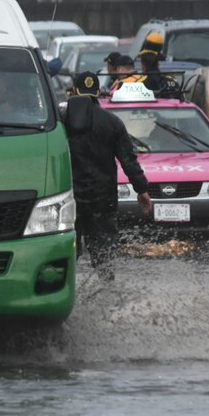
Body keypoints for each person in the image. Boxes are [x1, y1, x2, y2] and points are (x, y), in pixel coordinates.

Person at [64, 71, 151, 281]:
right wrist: (142, 189)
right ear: (98, 92)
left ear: (74, 91)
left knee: (65, 250)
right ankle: (106, 289)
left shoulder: (60, 121)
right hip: (102, 197)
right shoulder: (113, 122)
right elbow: (128, 160)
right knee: (104, 249)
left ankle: (62, 291)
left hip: (68, 197)